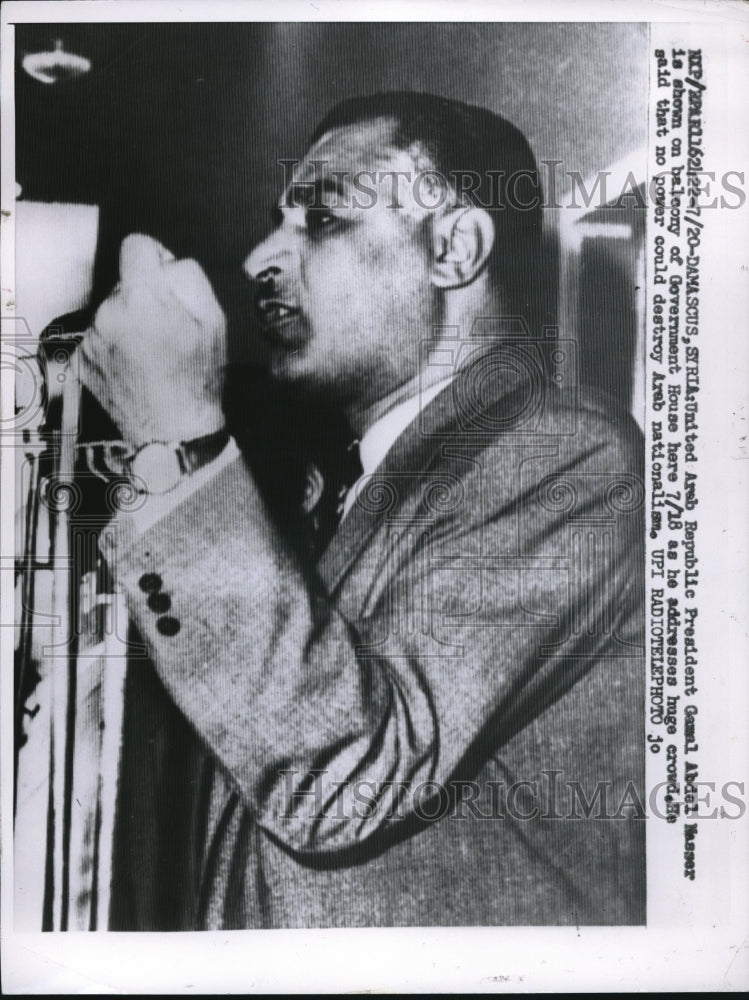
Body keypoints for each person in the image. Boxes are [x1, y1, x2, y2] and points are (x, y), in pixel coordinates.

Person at [81, 92, 646, 928]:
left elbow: (338, 773)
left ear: (453, 247)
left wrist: (179, 440)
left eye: (321, 219)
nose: (260, 258)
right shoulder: (341, 489)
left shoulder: (566, 457)